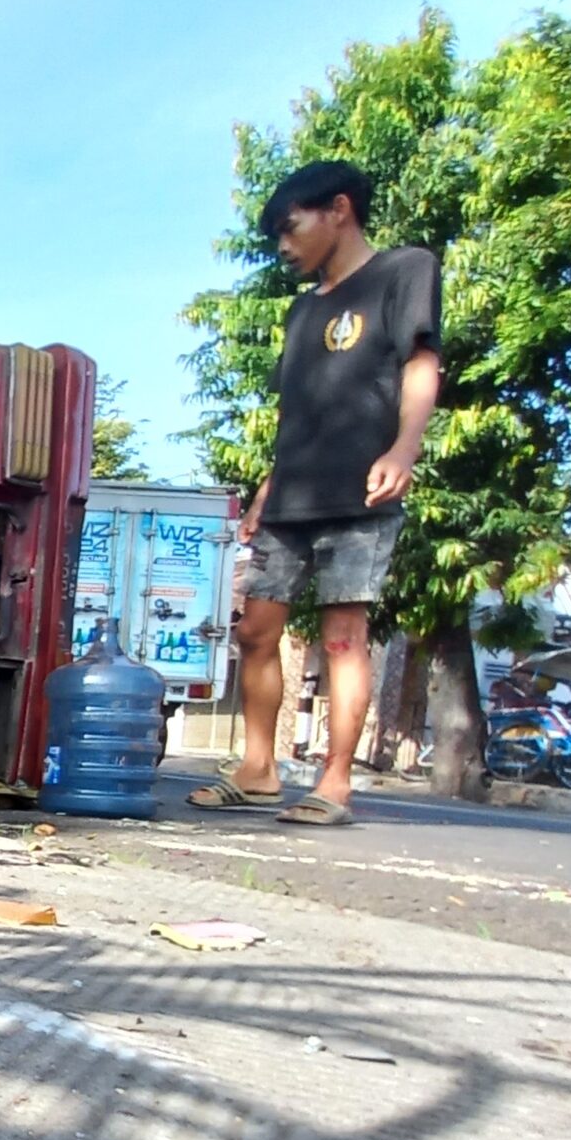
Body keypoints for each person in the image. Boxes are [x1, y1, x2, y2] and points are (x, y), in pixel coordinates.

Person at [189, 159, 440, 824]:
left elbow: (421, 363)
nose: (283, 245)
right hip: (293, 493)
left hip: (362, 489)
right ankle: (258, 770)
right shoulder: (303, 311)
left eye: (289, 228)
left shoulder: (403, 271)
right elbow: (299, 408)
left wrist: (404, 447)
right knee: (256, 630)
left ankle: (334, 783)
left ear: (338, 209)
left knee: (342, 636)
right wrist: (271, 482)